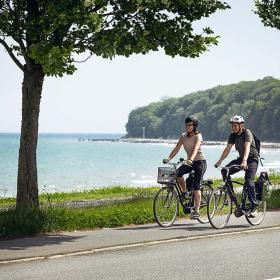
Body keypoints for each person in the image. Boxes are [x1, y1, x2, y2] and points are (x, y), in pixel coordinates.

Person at [163, 115, 207, 219]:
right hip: (189, 162)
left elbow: (196, 148)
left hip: (200, 162)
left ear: (194, 126)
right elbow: (177, 148)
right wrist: (169, 158)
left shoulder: (198, 136)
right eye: (186, 125)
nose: (188, 127)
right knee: (177, 174)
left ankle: (196, 211)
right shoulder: (183, 136)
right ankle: (184, 193)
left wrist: (191, 159)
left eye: (190, 125)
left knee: (196, 185)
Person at [214, 115, 259, 217]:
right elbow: (228, 149)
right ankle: (232, 197)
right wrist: (219, 161)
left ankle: (254, 206)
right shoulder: (233, 135)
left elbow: (247, 147)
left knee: (248, 181)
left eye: (235, 125)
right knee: (225, 171)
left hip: (251, 159)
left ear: (241, 125)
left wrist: (244, 161)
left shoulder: (247, 132)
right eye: (232, 126)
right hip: (241, 159)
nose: (233, 127)